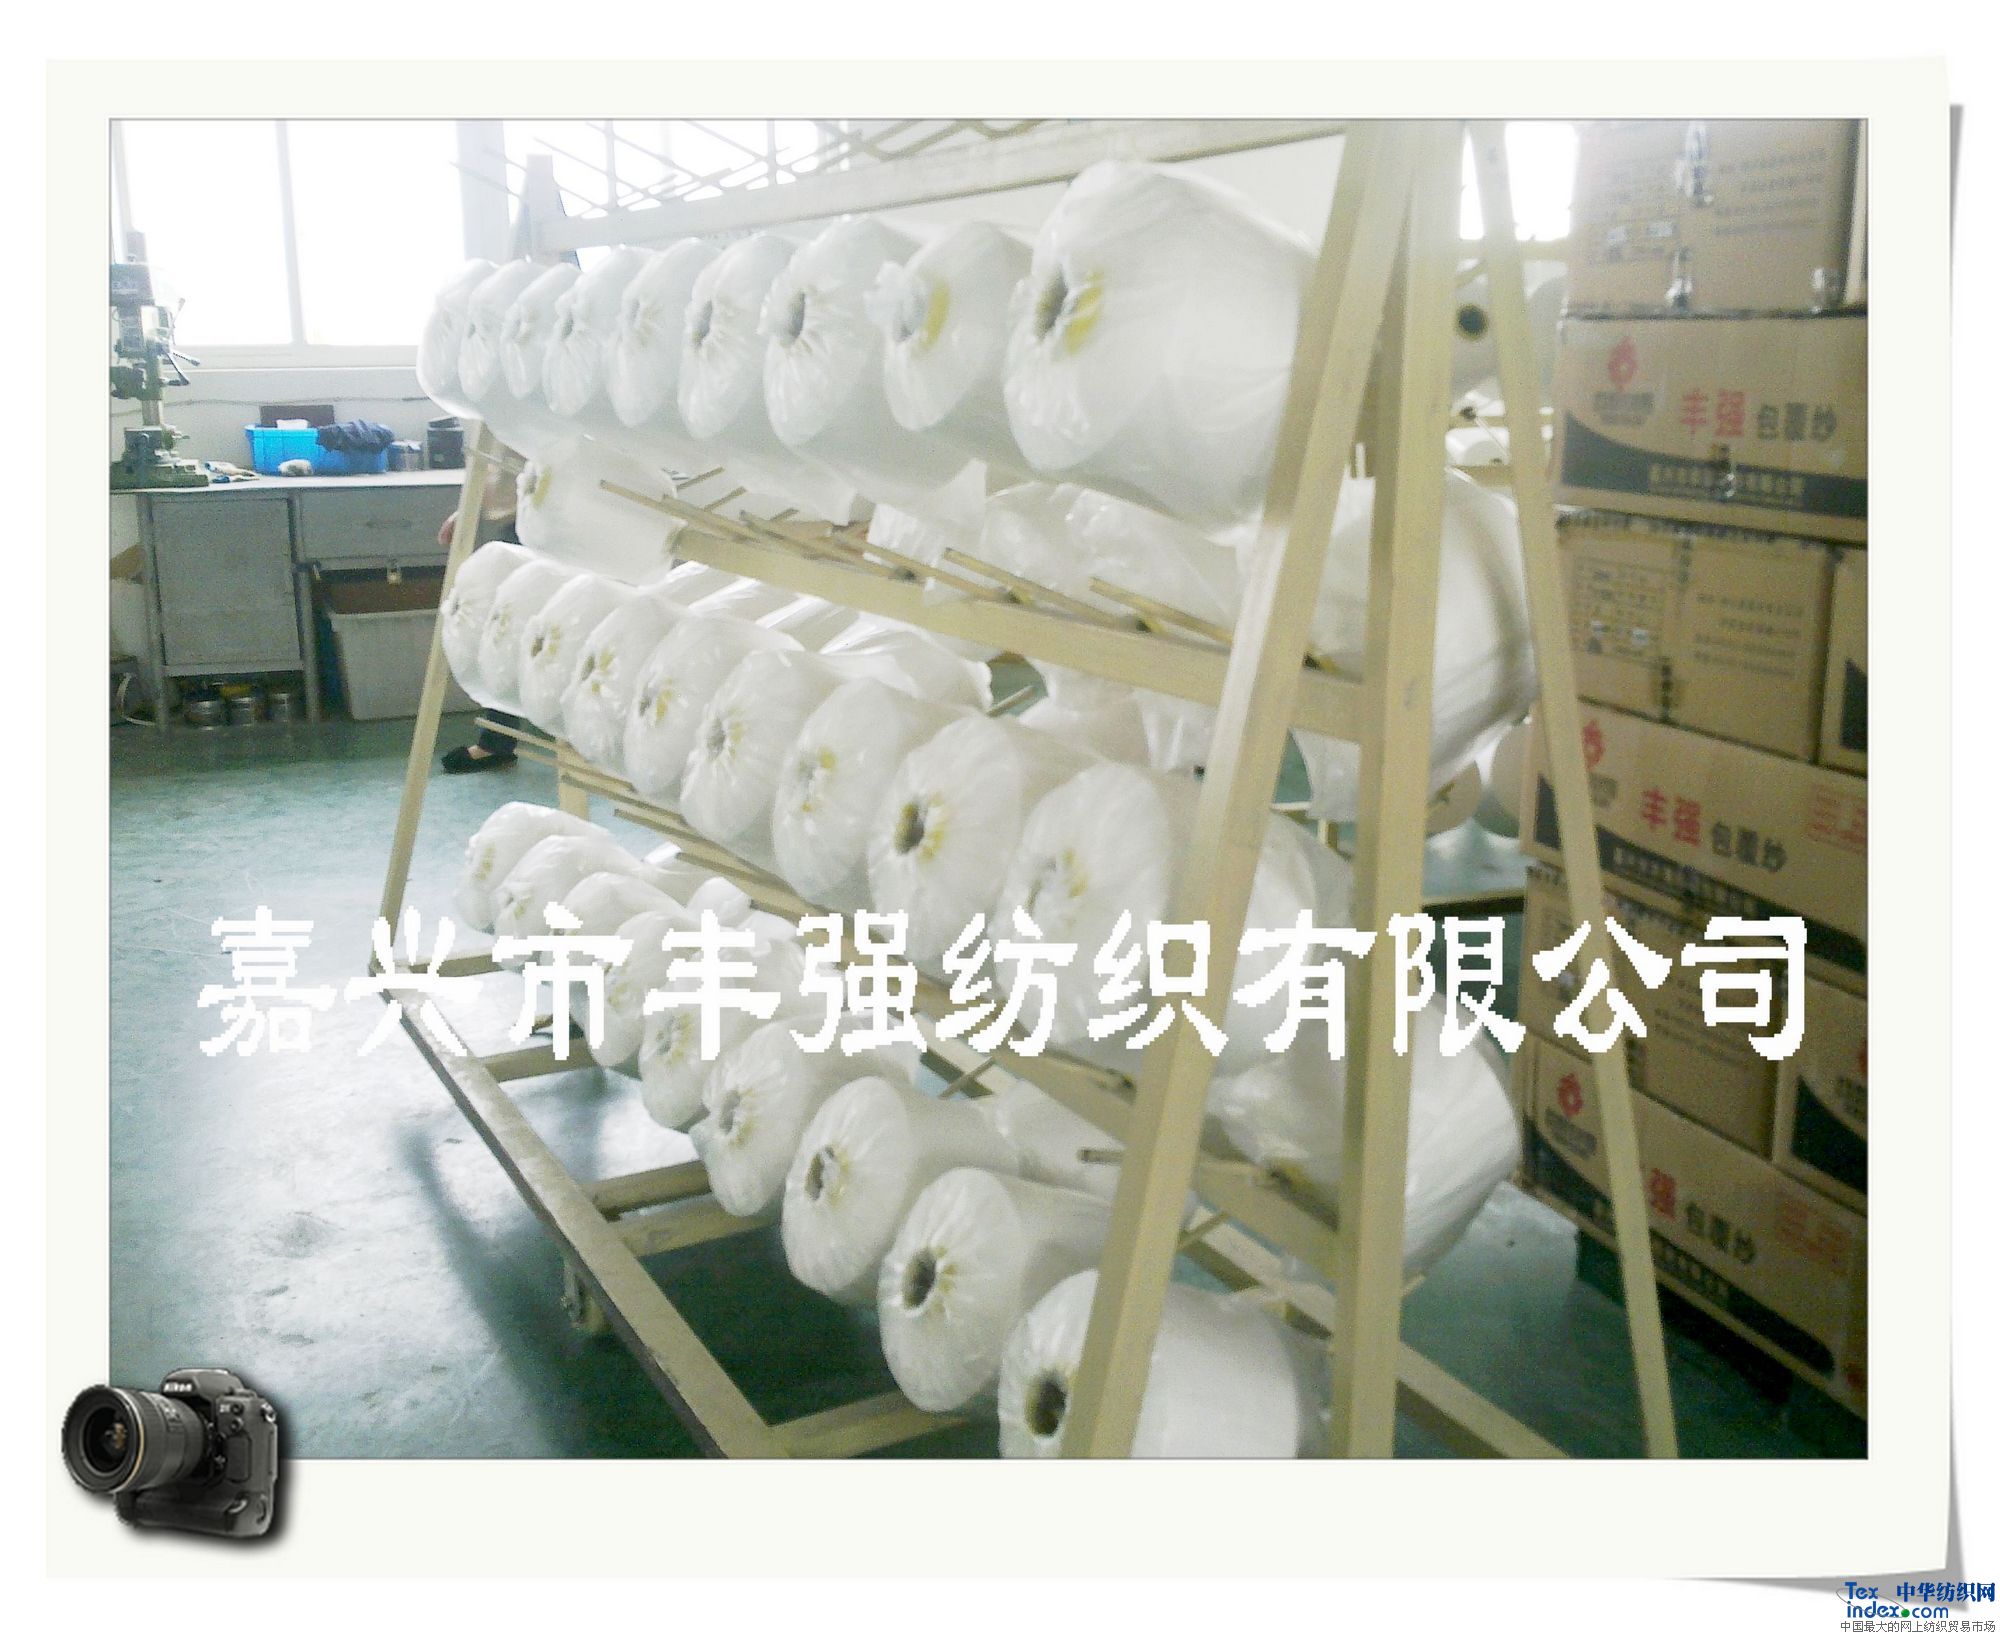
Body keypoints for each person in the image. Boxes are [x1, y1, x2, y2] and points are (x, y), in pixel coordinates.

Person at [438, 483, 522, 774]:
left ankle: (497, 743)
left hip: (546, 518)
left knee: (507, 635)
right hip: (527, 519)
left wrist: (470, 507)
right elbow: (499, 469)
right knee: (504, 636)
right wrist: (468, 507)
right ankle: (497, 742)